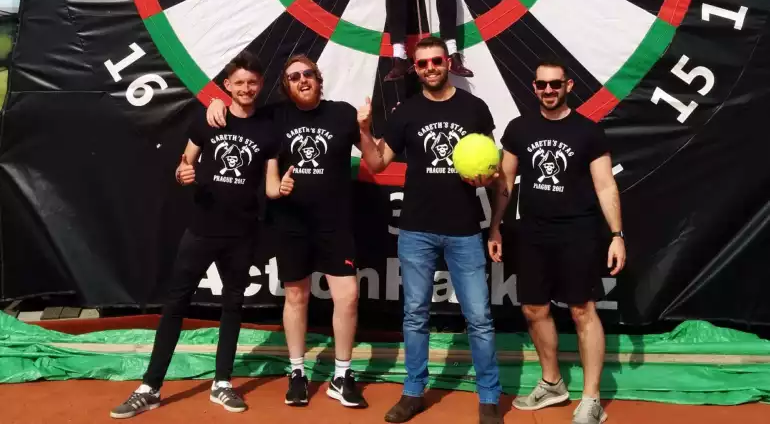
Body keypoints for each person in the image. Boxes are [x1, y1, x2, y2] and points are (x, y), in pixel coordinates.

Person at [110, 51, 278, 419]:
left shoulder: (269, 127)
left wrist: (282, 188)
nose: (246, 88)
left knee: (233, 307)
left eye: (252, 82)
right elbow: (184, 164)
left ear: (260, 84)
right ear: (227, 86)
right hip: (201, 230)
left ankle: (222, 383)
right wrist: (182, 173)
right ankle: (150, 387)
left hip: (243, 234)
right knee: (175, 306)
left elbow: (269, 184)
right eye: (239, 83)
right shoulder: (208, 121)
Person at [206, 55, 377, 409]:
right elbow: (240, 112)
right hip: (290, 222)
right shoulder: (274, 115)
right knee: (296, 297)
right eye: (294, 76)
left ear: (318, 78)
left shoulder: (343, 114)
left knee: (347, 297)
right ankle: (297, 372)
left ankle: (341, 376)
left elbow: (375, 162)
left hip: (335, 223)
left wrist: (365, 128)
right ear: (286, 85)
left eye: (308, 74)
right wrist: (216, 102)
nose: (302, 80)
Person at [358, 36, 502, 424]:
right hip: (416, 230)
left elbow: (493, 170)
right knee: (415, 314)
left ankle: (489, 397)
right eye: (422, 64)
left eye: (436, 60)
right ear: (415, 69)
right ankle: (413, 392)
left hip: (464, 230)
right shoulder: (406, 112)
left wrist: (485, 179)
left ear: (447, 62)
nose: (430, 68)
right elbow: (376, 163)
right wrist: (364, 129)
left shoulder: (475, 108)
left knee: (479, 317)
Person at [488, 59, 627, 424]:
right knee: (534, 309)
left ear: (569, 86)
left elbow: (605, 185)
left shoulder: (588, 132)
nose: (548, 91)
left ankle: (592, 398)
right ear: (533, 88)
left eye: (554, 85)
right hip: (531, 233)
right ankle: (552, 384)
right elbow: (504, 183)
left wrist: (617, 235)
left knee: (583, 310)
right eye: (541, 85)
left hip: (577, 232)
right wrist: (495, 228)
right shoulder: (519, 128)